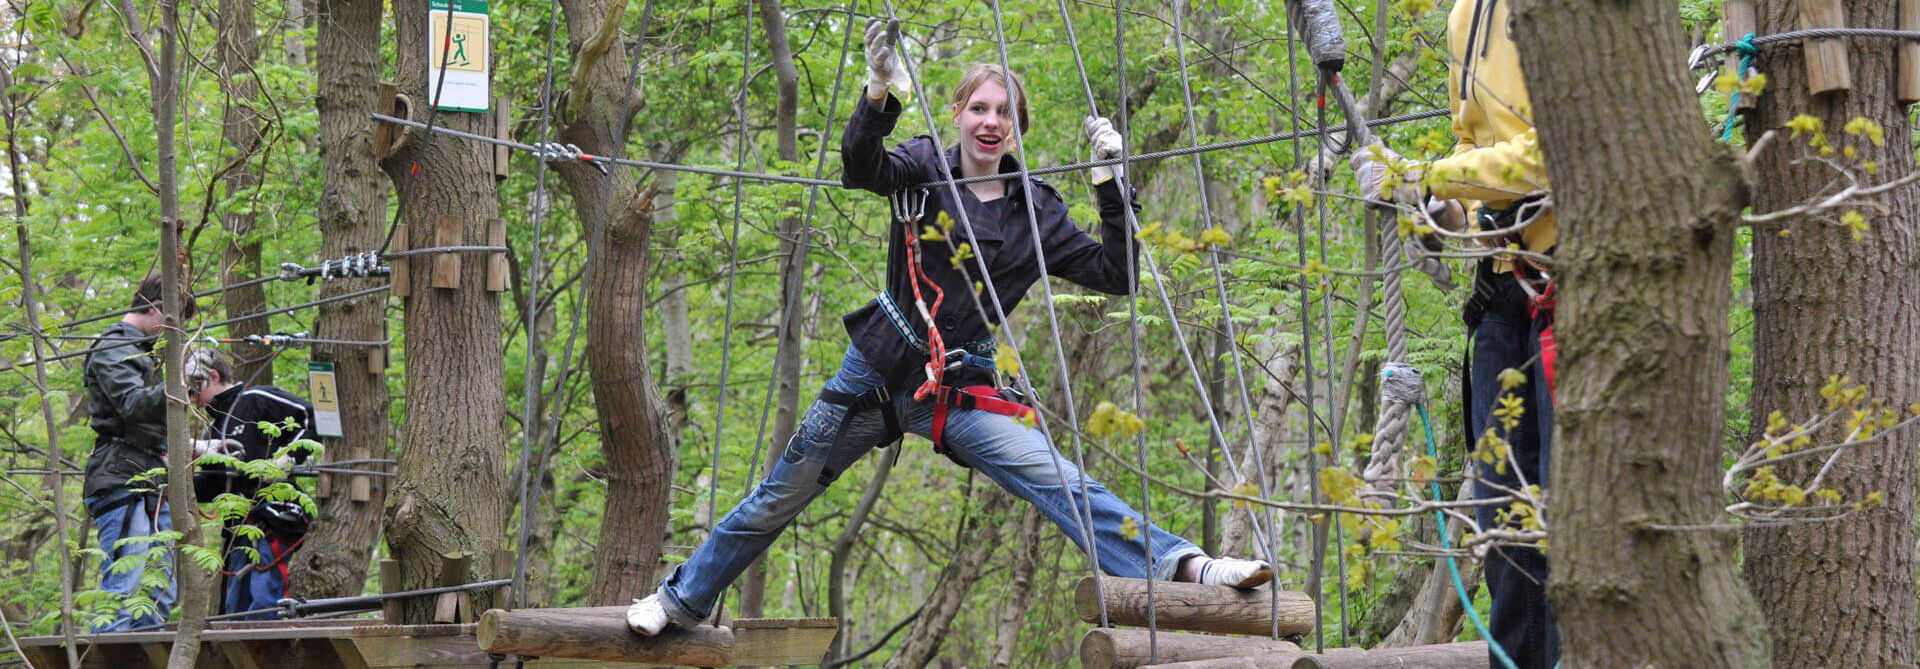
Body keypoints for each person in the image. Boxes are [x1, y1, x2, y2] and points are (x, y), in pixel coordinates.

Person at [627, 21, 1271, 635]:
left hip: (958, 388)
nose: (991, 123)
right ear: (959, 113)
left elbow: (1117, 272)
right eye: (979, 109)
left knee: (1062, 481)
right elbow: (862, 168)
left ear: (1017, 129)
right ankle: (678, 599)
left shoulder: (1038, 210)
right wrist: (880, 92)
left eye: (1004, 114)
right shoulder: (924, 168)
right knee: (778, 496)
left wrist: (1110, 186)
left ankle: (1185, 564)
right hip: (879, 368)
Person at [1350, 0, 1557, 667]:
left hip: (1577, 289)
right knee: (1505, 536)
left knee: (1571, 526)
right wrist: (1436, 203)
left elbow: (1555, 151)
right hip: (1503, 295)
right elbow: (1473, 151)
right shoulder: (1467, 13)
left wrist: (1424, 174)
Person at [80, 272, 184, 632]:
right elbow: (133, 405)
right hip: (119, 475)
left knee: (160, 589)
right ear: (159, 310)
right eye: (175, 320)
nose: (175, 331)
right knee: (128, 579)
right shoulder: (114, 347)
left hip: (152, 474)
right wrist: (181, 381)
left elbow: (151, 422)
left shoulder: (145, 351)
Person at [183, 348, 316, 619]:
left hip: (274, 511)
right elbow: (216, 485)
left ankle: (268, 651)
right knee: (234, 606)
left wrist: (286, 459)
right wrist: (174, 481)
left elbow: (310, 417)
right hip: (239, 525)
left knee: (263, 598)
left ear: (213, 375)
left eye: (193, 388)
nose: (190, 398)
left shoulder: (254, 400)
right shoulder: (213, 429)